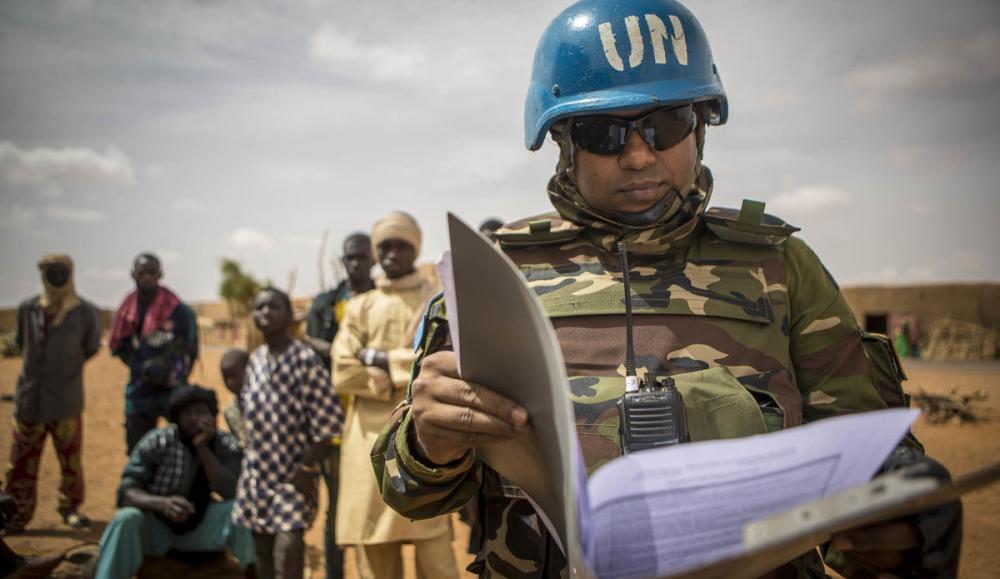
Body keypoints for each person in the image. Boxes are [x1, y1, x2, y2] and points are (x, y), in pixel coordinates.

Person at [371, 1, 963, 577]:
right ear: (563, 142)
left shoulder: (780, 267)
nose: (637, 156)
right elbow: (410, 493)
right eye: (604, 132)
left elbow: (868, 450)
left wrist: (901, 514)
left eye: (665, 125)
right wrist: (428, 443)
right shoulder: (496, 279)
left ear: (700, 129)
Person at [332, 213, 458, 579]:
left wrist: (379, 360)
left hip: (423, 438)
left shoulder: (436, 302)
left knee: (435, 553)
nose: (391, 254)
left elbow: (443, 363)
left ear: (415, 249)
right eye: (384, 246)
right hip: (366, 445)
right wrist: (403, 373)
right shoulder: (359, 306)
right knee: (375, 552)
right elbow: (342, 371)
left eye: (401, 245)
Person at [234, 287, 344, 579]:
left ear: (290, 315)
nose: (266, 313)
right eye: (260, 308)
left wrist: (307, 468)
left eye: (274, 307)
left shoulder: (304, 360)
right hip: (257, 476)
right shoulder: (255, 360)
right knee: (262, 557)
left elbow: (329, 423)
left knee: (288, 556)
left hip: (292, 478)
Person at [95, 385, 254, 579]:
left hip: (202, 528)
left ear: (213, 415)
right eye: (188, 413)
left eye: (201, 412)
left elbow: (232, 491)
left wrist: (203, 447)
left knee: (243, 509)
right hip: (157, 530)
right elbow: (127, 491)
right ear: (177, 418)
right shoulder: (157, 441)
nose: (195, 418)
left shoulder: (225, 443)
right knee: (126, 518)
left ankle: (255, 573)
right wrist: (162, 504)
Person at [4, 254, 101, 532]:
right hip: (29, 400)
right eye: (50, 272)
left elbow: (91, 347)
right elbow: (22, 343)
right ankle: (16, 514)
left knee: (70, 459)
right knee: (21, 461)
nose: (55, 277)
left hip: (65, 401)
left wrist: (65, 367)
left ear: (70, 274)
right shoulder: (28, 309)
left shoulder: (85, 312)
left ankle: (69, 507)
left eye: (61, 272)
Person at [303, 232, 375, 579]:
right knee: (338, 507)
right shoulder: (325, 304)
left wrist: (332, 351)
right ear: (343, 261)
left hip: (376, 420)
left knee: (373, 503)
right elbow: (311, 359)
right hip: (333, 423)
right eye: (351, 258)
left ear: (372, 259)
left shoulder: (385, 299)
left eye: (363, 257)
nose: (357, 263)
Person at [110, 252, 200, 453]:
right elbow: (119, 347)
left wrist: (175, 374)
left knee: (185, 446)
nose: (147, 277)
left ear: (160, 274)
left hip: (174, 389)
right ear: (133, 274)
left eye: (152, 272)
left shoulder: (179, 310)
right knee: (138, 450)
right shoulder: (126, 312)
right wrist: (141, 367)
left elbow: (192, 348)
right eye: (143, 272)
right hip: (139, 391)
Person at [220, 348, 250, 447]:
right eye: (226, 377)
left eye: (234, 376)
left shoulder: (264, 402)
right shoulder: (230, 412)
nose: (230, 382)